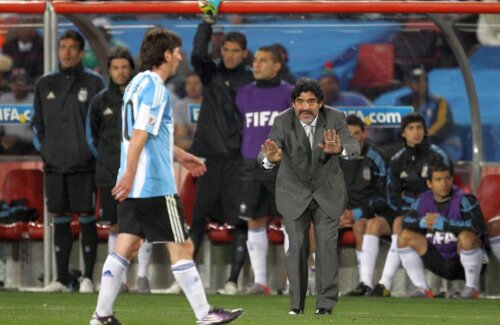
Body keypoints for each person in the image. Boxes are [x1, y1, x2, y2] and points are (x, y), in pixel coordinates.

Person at [90, 27, 243, 325]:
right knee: (182, 246)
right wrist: (134, 171)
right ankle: (205, 314)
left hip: (134, 182)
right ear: (165, 55)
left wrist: (179, 155)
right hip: (153, 183)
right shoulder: (156, 87)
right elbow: (139, 134)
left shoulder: (136, 83)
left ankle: (102, 316)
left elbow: (149, 133)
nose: (180, 57)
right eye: (175, 52)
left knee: (126, 245)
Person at [166, 0, 253, 295]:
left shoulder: (252, 82)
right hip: (212, 159)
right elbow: (197, 53)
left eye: (235, 51)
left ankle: (232, 281)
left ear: (244, 54)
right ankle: (185, 281)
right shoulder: (210, 73)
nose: (229, 55)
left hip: (239, 160)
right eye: (225, 50)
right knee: (199, 218)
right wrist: (207, 22)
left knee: (238, 221)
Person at [259, 78, 360, 315]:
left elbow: (353, 146)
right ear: (293, 103)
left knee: (326, 248)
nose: (306, 106)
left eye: (312, 101)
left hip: (327, 193)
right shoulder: (282, 121)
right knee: (297, 248)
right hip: (293, 193)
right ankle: (296, 305)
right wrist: (269, 160)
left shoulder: (336, 118)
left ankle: (325, 306)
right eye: (301, 101)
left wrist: (341, 150)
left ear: (321, 103)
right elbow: (265, 152)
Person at [31, 29, 104, 293]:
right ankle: (61, 279)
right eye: (63, 46)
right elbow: (36, 125)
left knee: (86, 218)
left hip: (85, 165)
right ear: (58, 50)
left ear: (82, 53)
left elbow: (101, 126)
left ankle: (87, 279)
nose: (67, 52)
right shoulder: (44, 84)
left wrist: (91, 152)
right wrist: (47, 153)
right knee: (59, 218)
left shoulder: (94, 84)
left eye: (73, 47)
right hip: (54, 165)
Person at [87, 47, 154, 294]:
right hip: (109, 174)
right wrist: (108, 161)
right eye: (115, 67)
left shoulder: (143, 98)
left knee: (142, 224)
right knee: (115, 225)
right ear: (109, 71)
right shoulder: (100, 101)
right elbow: (91, 137)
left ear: (132, 69)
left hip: (139, 173)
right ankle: (120, 279)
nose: (120, 72)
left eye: (124, 67)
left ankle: (143, 277)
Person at [366, 112, 451, 297]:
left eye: (419, 128)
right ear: (403, 133)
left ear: (425, 131)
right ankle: (420, 288)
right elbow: (392, 196)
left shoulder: (438, 156)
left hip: (437, 211)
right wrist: (412, 210)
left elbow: (446, 188)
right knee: (392, 223)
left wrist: (422, 208)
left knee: (400, 223)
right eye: (411, 128)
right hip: (407, 211)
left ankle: (385, 283)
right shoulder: (397, 160)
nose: (416, 132)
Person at [235, 45, 292, 295]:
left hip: (283, 166)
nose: (256, 64)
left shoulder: (290, 93)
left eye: (263, 60)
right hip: (251, 166)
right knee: (255, 221)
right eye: (255, 60)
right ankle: (261, 282)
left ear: (277, 66)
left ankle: (295, 281)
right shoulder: (243, 94)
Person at [398, 163, 486, 298]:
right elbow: (406, 221)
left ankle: (471, 288)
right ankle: (423, 289)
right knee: (404, 236)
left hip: (461, 260)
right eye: (438, 180)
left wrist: (447, 225)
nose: (444, 183)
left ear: (452, 180)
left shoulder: (465, 199)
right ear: (429, 183)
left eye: (447, 178)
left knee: (466, 237)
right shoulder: (423, 200)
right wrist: (422, 222)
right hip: (438, 259)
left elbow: (479, 227)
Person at [336, 115, 389, 296]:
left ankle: (364, 283)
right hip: (339, 214)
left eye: (357, 133)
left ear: (364, 134)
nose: (353, 138)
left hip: (367, 213)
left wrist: (358, 213)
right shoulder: (332, 157)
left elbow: (385, 196)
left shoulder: (376, 157)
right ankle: (321, 284)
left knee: (360, 226)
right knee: (315, 227)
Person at [395, 67, 462, 161]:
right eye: (416, 81)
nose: (421, 84)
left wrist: (420, 138)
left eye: (424, 81)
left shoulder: (439, 102)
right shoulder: (402, 102)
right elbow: (396, 125)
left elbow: (442, 126)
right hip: (410, 143)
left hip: (439, 143)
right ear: (409, 84)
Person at [0, 68, 36, 155]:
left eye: (20, 83)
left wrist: (18, 137)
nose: (16, 86)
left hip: (27, 145)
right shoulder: (5, 99)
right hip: (5, 142)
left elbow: (40, 134)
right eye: (14, 83)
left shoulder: (35, 100)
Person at [172, 71, 202, 151]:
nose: (192, 87)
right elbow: (180, 140)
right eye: (188, 83)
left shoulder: (212, 104)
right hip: (190, 152)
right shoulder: (180, 106)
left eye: (196, 83)